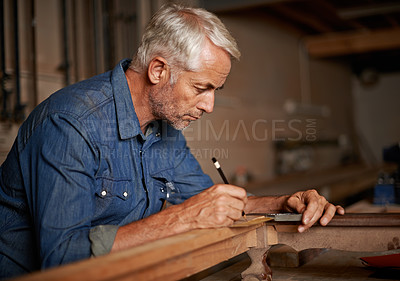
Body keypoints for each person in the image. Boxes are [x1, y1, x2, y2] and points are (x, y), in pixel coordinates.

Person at [0, 3, 344, 279]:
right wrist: (182, 219)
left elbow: (206, 201)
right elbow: (62, 259)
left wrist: (284, 203)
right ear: (158, 70)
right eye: (200, 88)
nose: (209, 105)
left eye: (214, 90)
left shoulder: (164, 131)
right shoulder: (72, 124)